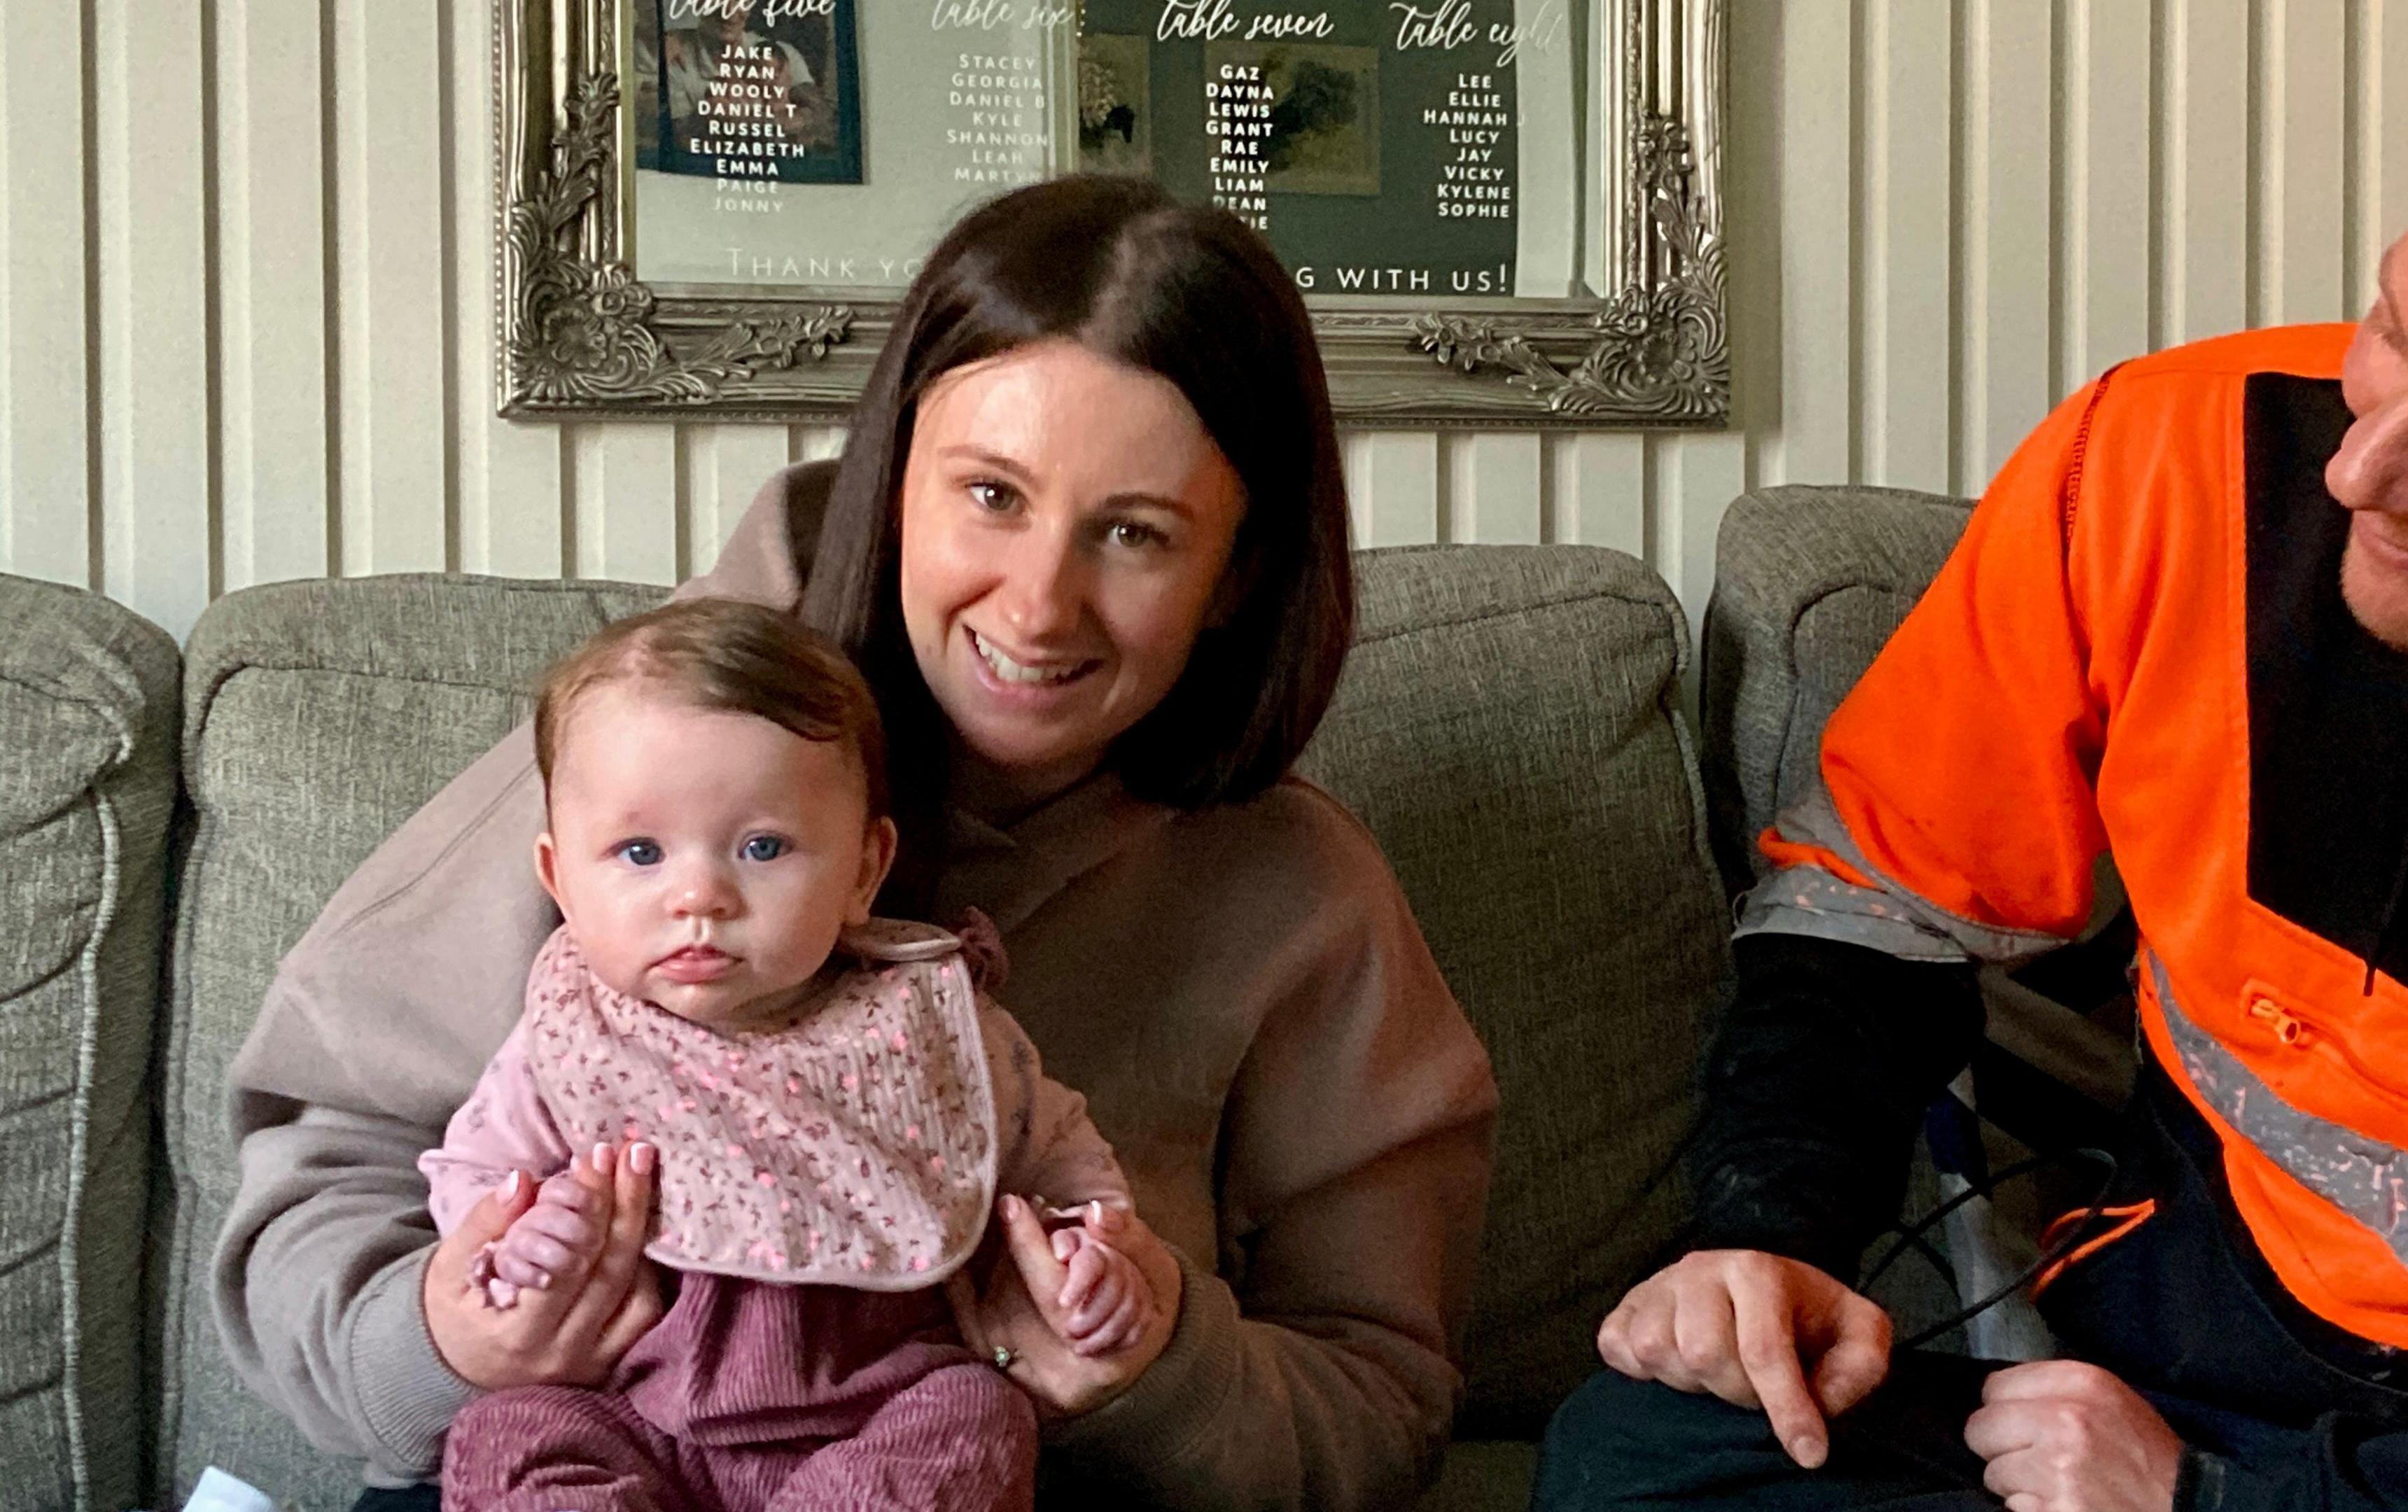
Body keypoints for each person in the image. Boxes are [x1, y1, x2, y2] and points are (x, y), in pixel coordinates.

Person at [1535, 4, 2408, 1510]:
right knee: (1644, 1458)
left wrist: (2220, 1509)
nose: (2363, 470)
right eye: (2394, 327)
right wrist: (1773, 1236)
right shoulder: (2168, 459)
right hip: (2149, 1362)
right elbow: (1875, 900)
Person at [213, 175, 1499, 1512]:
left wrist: (1161, 1371)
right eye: (991, 496)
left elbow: (1383, 1412)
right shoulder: (656, 766)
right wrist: (440, 1341)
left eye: (1132, 534)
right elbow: (325, 1186)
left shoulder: (1302, 897)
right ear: (891, 490)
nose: (1040, 605)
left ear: (1238, 575)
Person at [425, 598, 1149, 1511]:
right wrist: (520, 1238)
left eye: (761, 847)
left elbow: (1056, 1148)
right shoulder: (575, 1035)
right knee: (506, 1431)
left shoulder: (922, 1023)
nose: (701, 895)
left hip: (875, 1420)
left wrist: (1091, 1250)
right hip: (637, 1418)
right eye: (640, 851)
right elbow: (470, 1173)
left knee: (979, 1416)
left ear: (862, 868)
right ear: (559, 877)